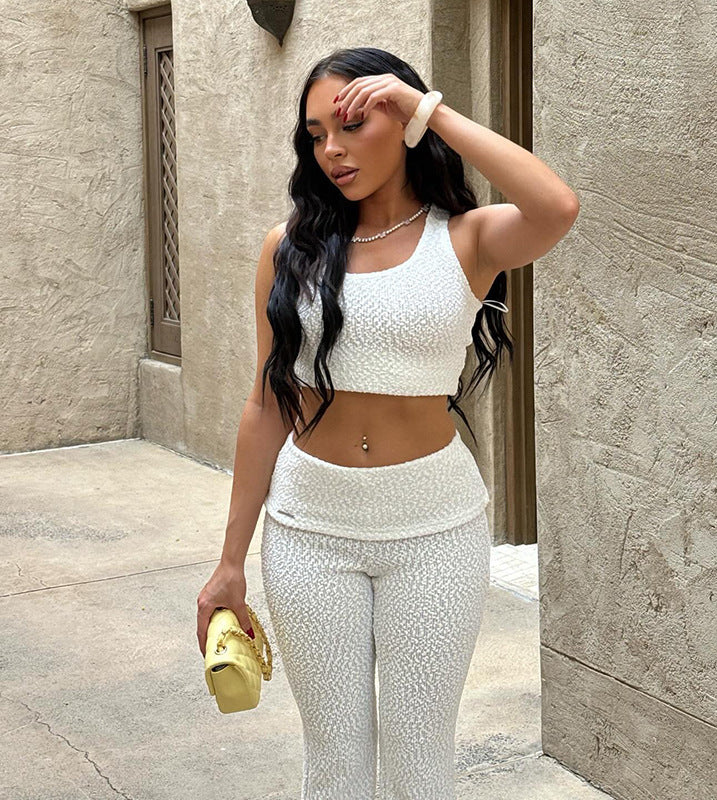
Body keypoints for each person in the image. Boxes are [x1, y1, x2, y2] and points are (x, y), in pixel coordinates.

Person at [197, 46, 579, 800]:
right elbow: (267, 402)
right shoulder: (290, 250)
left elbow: (556, 207)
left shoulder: (466, 239)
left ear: (403, 125)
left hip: (434, 531)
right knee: (334, 764)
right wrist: (230, 560)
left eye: (351, 125)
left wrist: (426, 108)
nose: (331, 151)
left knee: (419, 765)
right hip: (311, 529)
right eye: (316, 135)